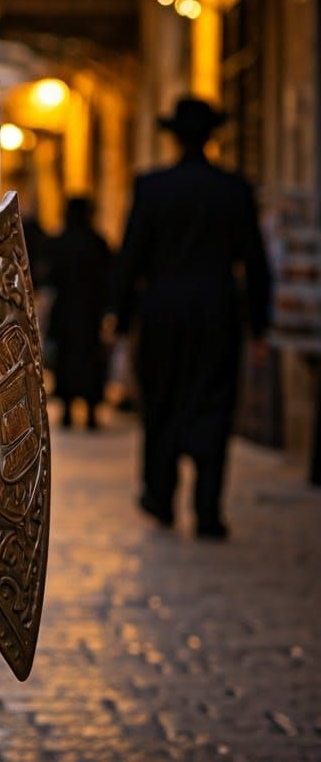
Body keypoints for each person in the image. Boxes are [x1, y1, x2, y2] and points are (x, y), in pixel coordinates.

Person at [113, 97, 271, 539]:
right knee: (214, 403)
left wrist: (121, 320)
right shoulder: (234, 190)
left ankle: (160, 496)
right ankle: (207, 509)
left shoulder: (152, 187)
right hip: (218, 311)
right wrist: (259, 325)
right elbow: (255, 263)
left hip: (162, 310)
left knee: (162, 401)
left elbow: (131, 258)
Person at [47, 196, 111, 429]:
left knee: (66, 360)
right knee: (91, 360)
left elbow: (51, 277)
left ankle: (67, 410)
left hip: (65, 311)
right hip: (90, 312)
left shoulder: (60, 243)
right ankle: (92, 412)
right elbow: (108, 278)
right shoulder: (96, 243)